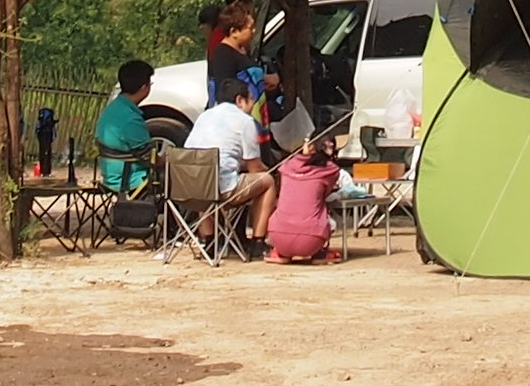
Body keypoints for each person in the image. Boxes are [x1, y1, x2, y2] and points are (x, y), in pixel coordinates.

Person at [180, 70, 272, 242]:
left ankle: (208, 239)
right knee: (267, 181)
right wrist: (270, 169)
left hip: (188, 187)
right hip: (222, 189)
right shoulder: (245, 121)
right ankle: (258, 240)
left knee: (205, 177)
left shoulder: (204, 116)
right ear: (239, 100)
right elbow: (255, 168)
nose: (253, 104)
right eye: (250, 99)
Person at [266, 128, 345, 263]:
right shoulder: (331, 169)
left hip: (277, 236)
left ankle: (281, 252)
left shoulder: (287, 165)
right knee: (329, 219)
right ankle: (319, 253)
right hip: (311, 239)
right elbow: (325, 194)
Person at [92, 60, 158, 195]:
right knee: (179, 178)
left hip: (110, 176)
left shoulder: (112, 109)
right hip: (130, 180)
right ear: (144, 87)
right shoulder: (130, 118)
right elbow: (149, 158)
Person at [200, 0, 261, 105]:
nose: (253, 32)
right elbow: (224, 88)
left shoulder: (240, 47)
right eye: (249, 28)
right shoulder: (222, 51)